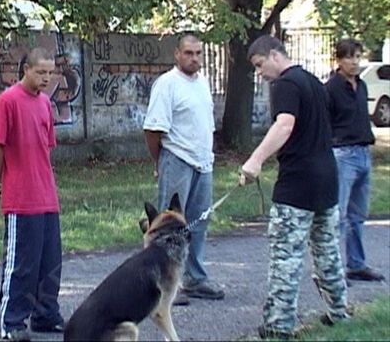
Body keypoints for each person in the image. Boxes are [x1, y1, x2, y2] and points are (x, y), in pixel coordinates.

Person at [239, 35, 349, 339]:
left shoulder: (285, 84)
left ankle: (278, 326)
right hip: (327, 180)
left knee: (285, 257)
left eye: (260, 65)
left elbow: (285, 125)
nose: (260, 73)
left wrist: (255, 160)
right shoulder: (314, 82)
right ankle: (338, 312)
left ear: (275, 55)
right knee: (327, 252)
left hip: (297, 184)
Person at [0, 47, 64, 342]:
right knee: (22, 263)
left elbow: (47, 148)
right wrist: (7, 178)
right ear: (26, 70)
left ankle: (45, 314)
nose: (46, 78)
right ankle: (12, 321)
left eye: (50, 72)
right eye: (40, 72)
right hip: (21, 198)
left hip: (46, 195)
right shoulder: (7, 101)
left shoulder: (45, 104)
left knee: (50, 260)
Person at [143, 33, 224, 303]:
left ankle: (194, 278)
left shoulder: (202, 83)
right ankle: (166, 284)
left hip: (203, 161)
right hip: (176, 157)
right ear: (177, 54)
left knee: (198, 222)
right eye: (188, 53)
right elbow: (153, 129)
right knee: (169, 226)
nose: (194, 58)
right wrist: (161, 162)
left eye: (199, 53)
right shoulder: (167, 84)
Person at [325, 39, 385, 282]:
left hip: (363, 152)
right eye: (349, 57)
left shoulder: (361, 85)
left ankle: (356, 263)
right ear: (338, 60)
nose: (354, 62)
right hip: (343, 154)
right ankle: (332, 267)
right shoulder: (330, 88)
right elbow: (325, 122)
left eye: (357, 56)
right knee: (337, 214)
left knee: (357, 215)